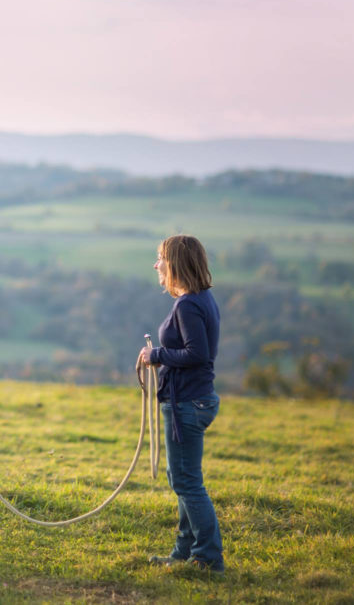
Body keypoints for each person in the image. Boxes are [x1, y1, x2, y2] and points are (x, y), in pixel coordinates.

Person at [138, 234, 224, 574]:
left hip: (186, 404)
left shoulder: (188, 305)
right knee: (183, 478)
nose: (157, 264)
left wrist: (154, 355)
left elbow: (196, 353)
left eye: (161, 258)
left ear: (175, 263)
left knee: (187, 483)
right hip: (194, 401)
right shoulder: (202, 298)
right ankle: (185, 552)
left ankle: (207, 558)